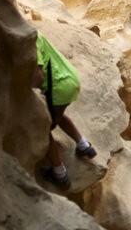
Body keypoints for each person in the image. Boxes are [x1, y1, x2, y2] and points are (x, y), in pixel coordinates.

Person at [34, 33, 98, 189]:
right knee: (57, 115)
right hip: (70, 78)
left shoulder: (31, 42)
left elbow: (39, 77)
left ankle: (59, 173)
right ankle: (84, 146)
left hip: (58, 87)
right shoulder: (37, 35)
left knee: (44, 126)